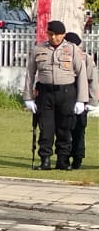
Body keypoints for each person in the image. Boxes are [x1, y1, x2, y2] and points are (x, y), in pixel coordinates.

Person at [25, 21, 91, 170]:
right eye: (50, 34)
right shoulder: (39, 49)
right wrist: (28, 97)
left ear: (63, 35)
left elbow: (81, 74)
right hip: (45, 93)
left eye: (56, 35)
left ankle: (63, 160)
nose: (53, 37)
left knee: (64, 128)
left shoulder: (72, 49)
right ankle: (45, 160)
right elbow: (30, 73)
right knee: (46, 128)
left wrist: (81, 100)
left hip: (66, 93)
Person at [71, 33, 98, 170]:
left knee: (79, 130)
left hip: (81, 99)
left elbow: (92, 80)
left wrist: (92, 102)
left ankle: (77, 158)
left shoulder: (85, 58)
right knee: (64, 130)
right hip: (65, 97)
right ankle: (64, 157)